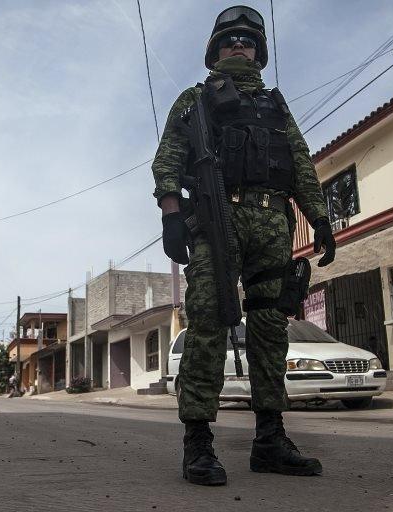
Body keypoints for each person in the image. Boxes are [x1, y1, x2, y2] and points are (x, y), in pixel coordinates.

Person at [152, 5, 336, 486]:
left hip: (274, 225)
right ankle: (198, 444)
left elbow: (300, 163)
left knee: (271, 333)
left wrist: (319, 217)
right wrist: (172, 216)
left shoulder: (277, 105)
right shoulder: (195, 100)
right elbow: (168, 158)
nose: (239, 46)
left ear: (260, 52)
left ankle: (270, 440)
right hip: (217, 220)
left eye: (248, 41)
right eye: (230, 40)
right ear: (214, 51)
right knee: (209, 324)